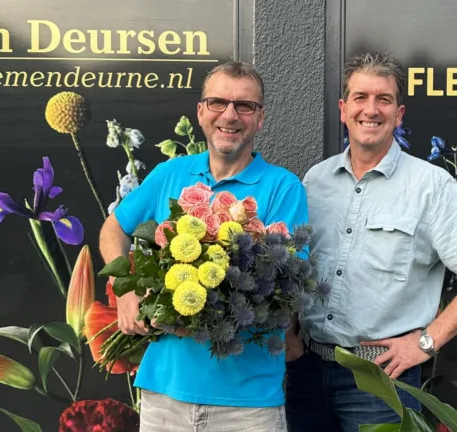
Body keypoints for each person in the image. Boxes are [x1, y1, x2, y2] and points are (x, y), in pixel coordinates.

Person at [284, 52, 457, 431]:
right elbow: (297, 264)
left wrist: (426, 341)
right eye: (360, 98)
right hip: (307, 372)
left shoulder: (429, 186)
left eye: (383, 99)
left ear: (399, 113)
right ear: (343, 109)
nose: (370, 110)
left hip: (380, 379)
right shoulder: (316, 180)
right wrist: (290, 333)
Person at [99, 61, 308, 432]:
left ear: (260, 118)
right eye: (217, 102)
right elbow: (113, 229)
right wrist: (127, 291)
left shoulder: (284, 188)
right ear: (200, 112)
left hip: (247, 406)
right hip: (165, 395)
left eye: (244, 106)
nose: (230, 115)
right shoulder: (170, 173)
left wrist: (191, 318)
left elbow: (283, 288)